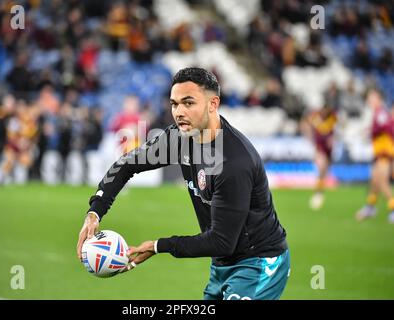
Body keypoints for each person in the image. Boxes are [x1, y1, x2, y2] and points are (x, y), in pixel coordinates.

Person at [76, 67, 290, 300]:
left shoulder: (233, 162)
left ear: (213, 104)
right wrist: (94, 212)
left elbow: (221, 241)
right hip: (222, 265)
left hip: (258, 262)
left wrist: (158, 246)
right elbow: (126, 165)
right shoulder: (178, 138)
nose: (178, 112)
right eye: (174, 104)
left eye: (188, 103)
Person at [355, 89, 394, 224]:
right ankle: (370, 207)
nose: (369, 101)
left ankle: (392, 209)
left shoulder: (381, 113)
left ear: (379, 99)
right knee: (375, 181)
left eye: (372, 98)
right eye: (369, 99)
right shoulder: (379, 114)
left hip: (385, 153)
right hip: (380, 153)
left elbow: (389, 130)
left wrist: (370, 131)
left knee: (382, 182)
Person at [301, 104, 338, 210]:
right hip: (319, 149)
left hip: (329, 150)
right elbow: (304, 123)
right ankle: (317, 194)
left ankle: (320, 191)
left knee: (325, 173)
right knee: (321, 168)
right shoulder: (315, 118)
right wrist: (309, 136)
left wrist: (333, 139)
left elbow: (336, 129)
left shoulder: (332, 118)